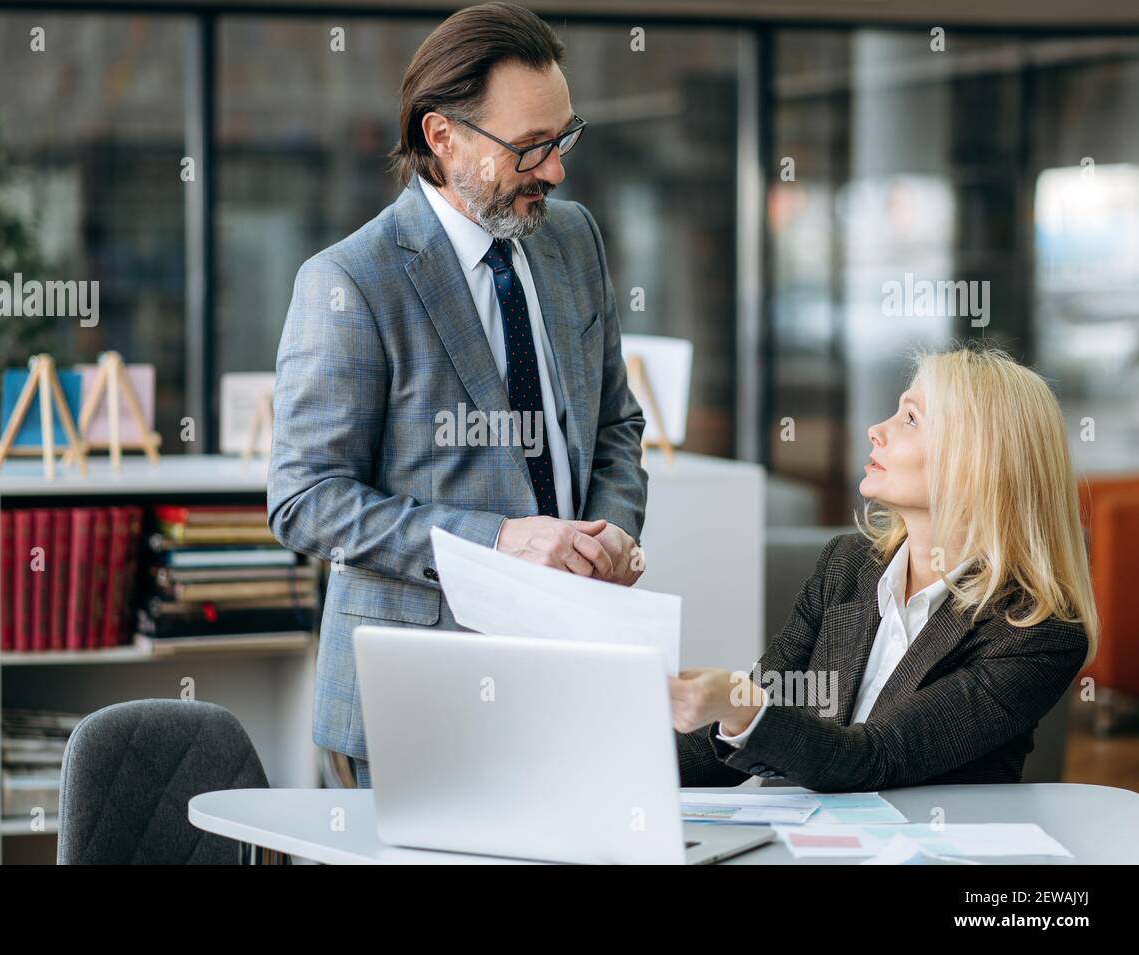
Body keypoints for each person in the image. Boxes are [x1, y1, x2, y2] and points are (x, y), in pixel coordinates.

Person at [269, 3, 648, 788]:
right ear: (442, 138)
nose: (555, 169)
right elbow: (305, 499)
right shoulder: (350, 282)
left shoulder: (574, 238)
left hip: (571, 672)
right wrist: (500, 543)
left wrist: (610, 530)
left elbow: (617, 422)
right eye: (531, 147)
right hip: (415, 698)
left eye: (564, 137)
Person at [673, 344, 1097, 790]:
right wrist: (627, 763)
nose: (876, 430)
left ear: (976, 462)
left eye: (911, 419)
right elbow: (739, 732)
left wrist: (740, 708)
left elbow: (876, 759)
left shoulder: (1038, 631)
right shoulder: (846, 566)